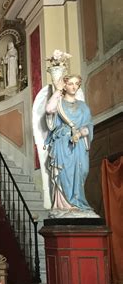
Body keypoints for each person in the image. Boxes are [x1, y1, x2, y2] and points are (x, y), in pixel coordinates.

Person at [44, 74, 96, 216]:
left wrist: (79, 134)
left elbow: (89, 126)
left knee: (82, 171)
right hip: (62, 144)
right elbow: (49, 110)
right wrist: (57, 90)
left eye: (76, 84)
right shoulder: (59, 103)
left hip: (78, 144)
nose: (73, 87)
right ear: (65, 86)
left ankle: (78, 202)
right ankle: (64, 206)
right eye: (70, 84)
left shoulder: (83, 107)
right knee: (64, 173)